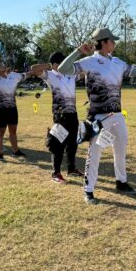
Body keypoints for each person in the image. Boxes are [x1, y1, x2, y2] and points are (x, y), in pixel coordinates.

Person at [58, 28, 136, 204]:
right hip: (99, 118)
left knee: (120, 149)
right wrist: (78, 52)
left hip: (117, 116)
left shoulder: (118, 62)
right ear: (104, 42)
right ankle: (88, 190)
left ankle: (121, 182)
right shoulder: (89, 61)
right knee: (95, 153)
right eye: (112, 41)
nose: (114, 43)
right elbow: (63, 69)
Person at [30, 52, 84, 183]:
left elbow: (83, 74)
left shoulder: (71, 75)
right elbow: (34, 69)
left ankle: (71, 169)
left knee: (72, 143)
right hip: (60, 115)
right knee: (58, 144)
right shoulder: (51, 75)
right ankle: (56, 173)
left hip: (73, 114)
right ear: (56, 64)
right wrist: (50, 66)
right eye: (63, 63)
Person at [0, 65, 29, 162]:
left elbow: (26, 74)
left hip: (12, 108)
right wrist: (4, 68)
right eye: (0, 67)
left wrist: (33, 72)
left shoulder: (13, 76)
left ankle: (15, 151)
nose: (3, 68)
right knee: (0, 131)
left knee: (13, 130)